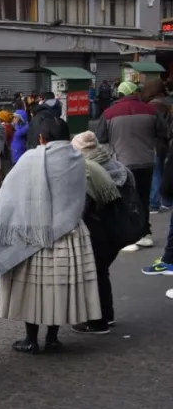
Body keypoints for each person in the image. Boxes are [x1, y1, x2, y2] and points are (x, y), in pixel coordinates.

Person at [0, 117, 102, 354]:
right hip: (70, 234)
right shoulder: (77, 159)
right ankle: (53, 338)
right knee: (58, 289)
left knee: (34, 290)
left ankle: (31, 339)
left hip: (36, 236)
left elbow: (11, 195)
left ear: (41, 138)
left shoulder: (31, 159)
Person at [97, 80, 167, 251]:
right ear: (135, 93)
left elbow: (101, 138)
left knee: (125, 199)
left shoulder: (109, 113)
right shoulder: (151, 110)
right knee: (143, 197)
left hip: (122, 163)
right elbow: (163, 133)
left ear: (119, 95)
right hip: (147, 161)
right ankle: (145, 234)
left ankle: (129, 237)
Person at [70, 132, 127, 334]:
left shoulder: (88, 170)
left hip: (97, 228)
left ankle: (97, 322)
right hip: (117, 226)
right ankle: (107, 316)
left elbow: (84, 205)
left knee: (93, 273)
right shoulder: (112, 163)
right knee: (101, 271)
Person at [146, 82, 173, 212]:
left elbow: (154, 125)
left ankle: (154, 203)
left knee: (156, 172)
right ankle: (166, 201)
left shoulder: (153, 105)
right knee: (164, 170)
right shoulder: (169, 102)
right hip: (167, 142)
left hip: (156, 142)